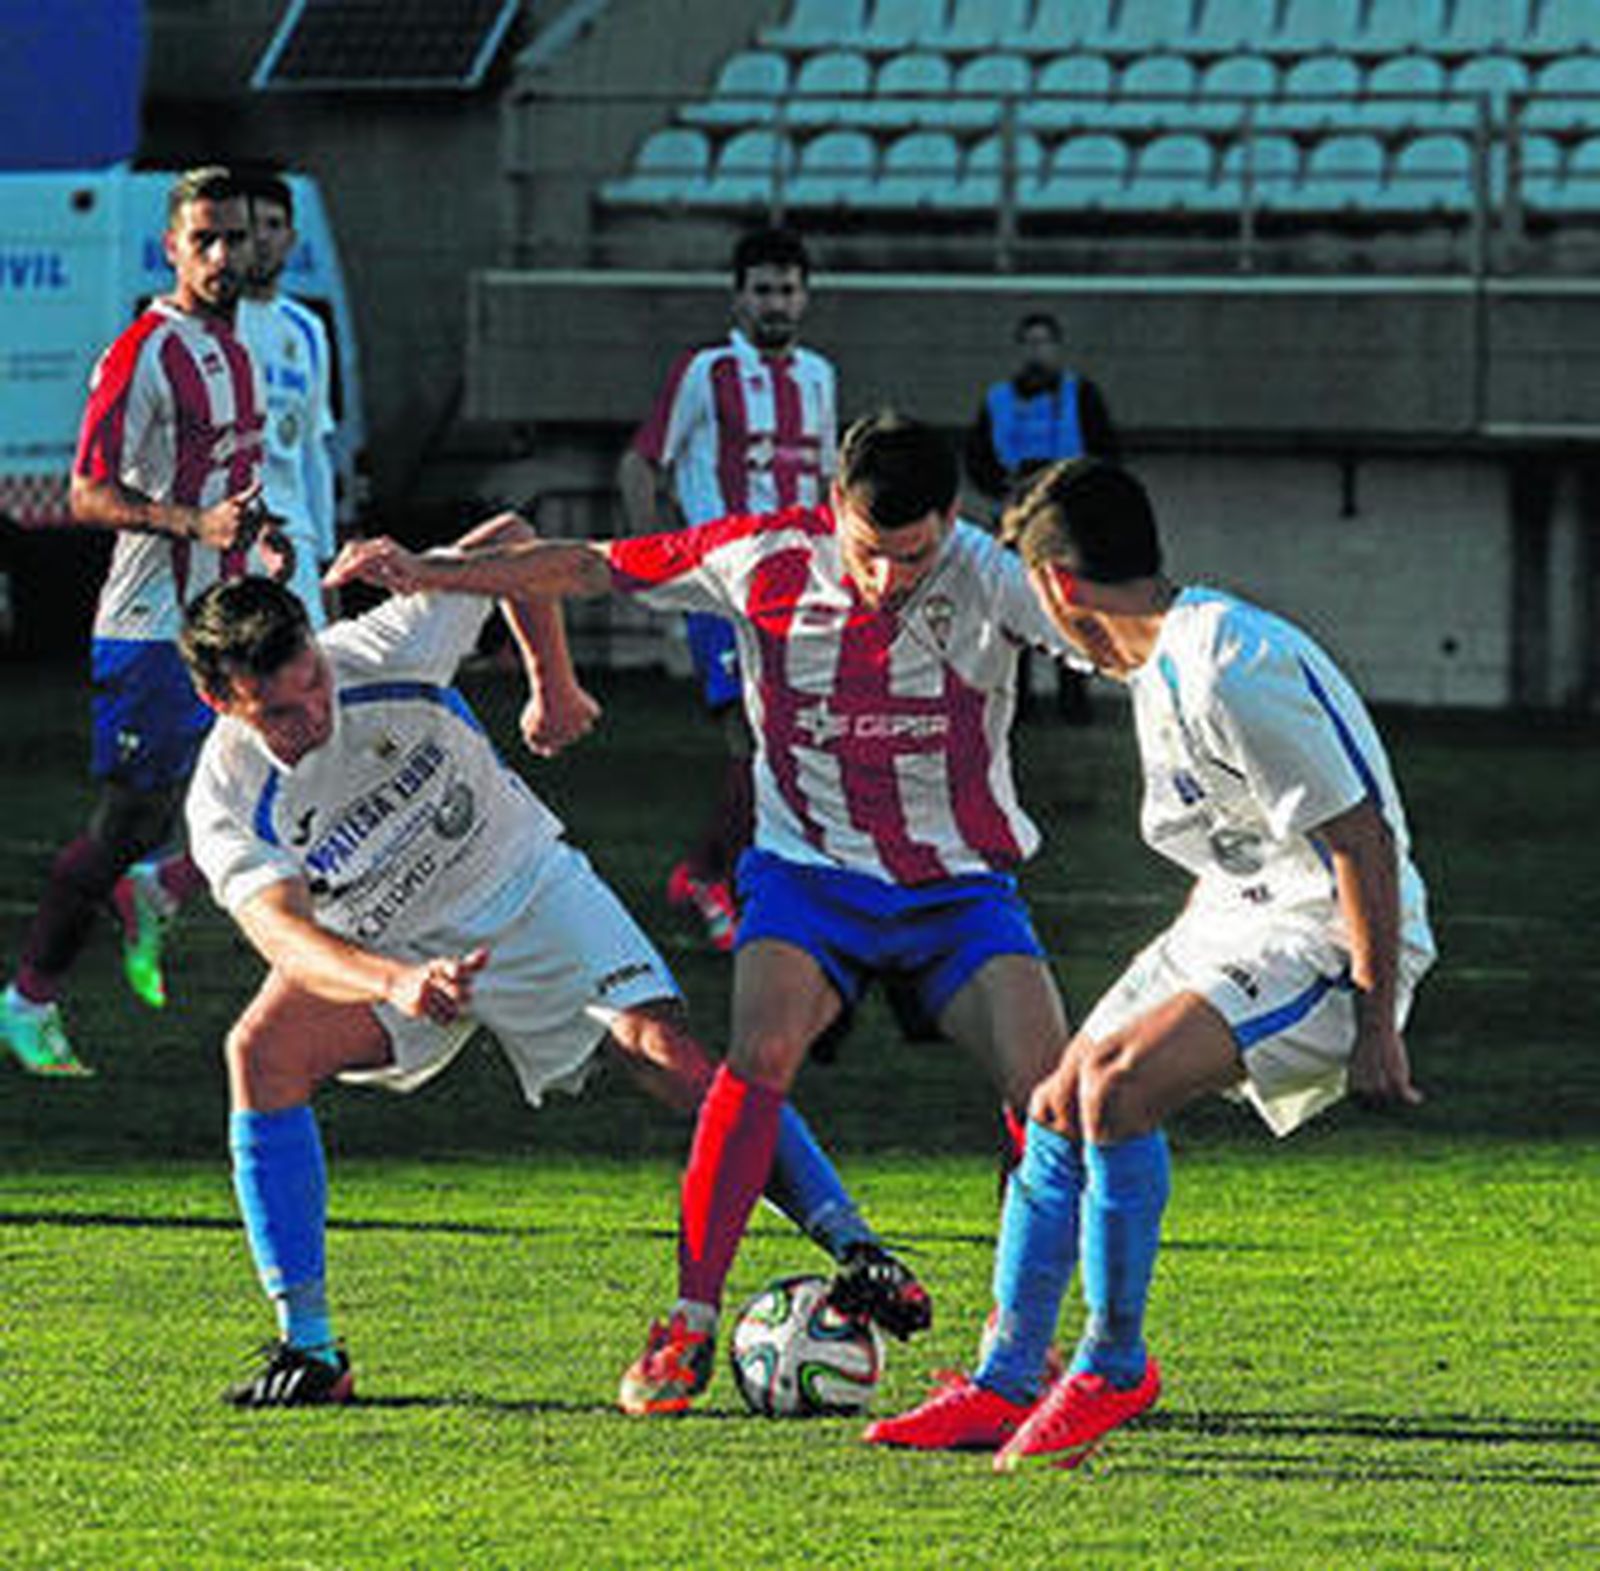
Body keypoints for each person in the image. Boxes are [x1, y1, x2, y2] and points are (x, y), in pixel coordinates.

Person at [326, 412, 1084, 1418]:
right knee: (756, 1052)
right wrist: (433, 571)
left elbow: (1113, 641)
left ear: (951, 520)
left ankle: (1017, 1350)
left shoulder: (988, 574)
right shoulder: (763, 556)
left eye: (912, 556)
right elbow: (590, 566)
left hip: (959, 885)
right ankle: (688, 1319)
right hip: (809, 874)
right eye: (867, 553)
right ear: (833, 514)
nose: (887, 580)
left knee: (1050, 1102)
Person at [182, 510, 921, 1408]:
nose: (314, 713)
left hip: (525, 886)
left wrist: (552, 681)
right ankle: (311, 1347)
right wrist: (396, 980)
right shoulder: (227, 794)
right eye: (284, 711)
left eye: (317, 683)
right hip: (387, 945)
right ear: (222, 701)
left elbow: (512, 540)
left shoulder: (381, 649)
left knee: (671, 1061)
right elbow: (281, 934)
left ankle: (857, 1248)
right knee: (261, 1053)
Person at [865, 458, 1435, 1470]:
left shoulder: (1228, 659)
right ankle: (1005, 1379)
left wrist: (1375, 1016)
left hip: (1321, 932)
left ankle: (1112, 1361)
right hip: (1228, 916)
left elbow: (1360, 840)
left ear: (1056, 586)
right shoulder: (1158, 655)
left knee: (1117, 1092)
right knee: (1055, 1099)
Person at [1, 166, 269, 1074]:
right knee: (127, 821)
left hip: (222, 617)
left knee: (292, 775)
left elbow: (220, 484)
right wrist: (193, 524)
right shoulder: (142, 351)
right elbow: (85, 492)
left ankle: (164, 889)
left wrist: (253, 540)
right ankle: (28, 996)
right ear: (172, 247)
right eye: (207, 239)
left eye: (237, 236)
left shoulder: (235, 350)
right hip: (152, 629)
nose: (225, 255)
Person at [616, 227, 836, 952]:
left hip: (805, 586)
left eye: (788, 288)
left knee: (794, 741)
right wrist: (649, 564)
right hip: (722, 582)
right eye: (763, 289)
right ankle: (720, 879)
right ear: (739, 296)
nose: (776, 302)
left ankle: (709, 868)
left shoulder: (819, 377)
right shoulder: (705, 371)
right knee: (752, 735)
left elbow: (828, 484)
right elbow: (640, 465)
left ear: (805, 296)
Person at [965, 310, 1120, 726]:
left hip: (1069, 525)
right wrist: (1003, 489)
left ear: (1057, 347)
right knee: (1014, 610)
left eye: (1044, 342)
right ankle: (1019, 707)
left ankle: (1075, 706)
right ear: (1020, 349)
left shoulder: (1081, 395)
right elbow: (977, 458)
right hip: (1015, 523)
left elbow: (1106, 452)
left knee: (1073, 612)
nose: (1037, 351)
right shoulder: (997, 400)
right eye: (1029, 343)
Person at [234, 168, 340, 630]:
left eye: (273, 226)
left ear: (291, 238)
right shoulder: (207, 322)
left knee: (309, 681)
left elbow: (313, 453)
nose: (261, 239)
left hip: (293, 537)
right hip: (224, 539)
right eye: (249, 227)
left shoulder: (308, 330)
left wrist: (325, 556)